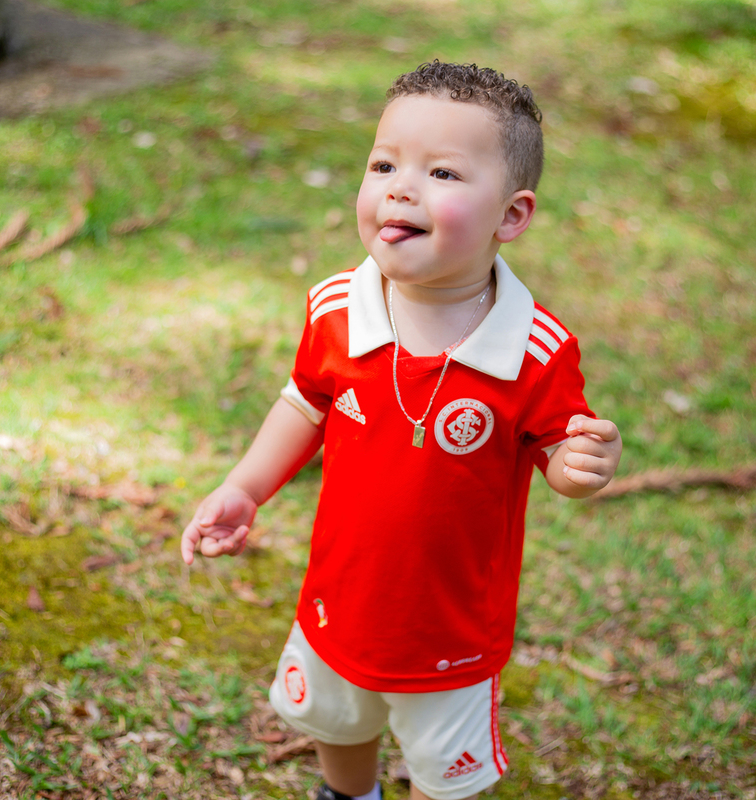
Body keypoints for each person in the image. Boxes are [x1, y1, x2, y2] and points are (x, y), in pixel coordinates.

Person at [181, 61, 622, 800]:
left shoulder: (536, 350)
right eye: (383, 163)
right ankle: (349, 794)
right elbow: (304, 404)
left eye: (442, 172)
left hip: (450, 633)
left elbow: (559, 449)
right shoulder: (335, 309)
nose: (400, 187)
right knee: (335, 724)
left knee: (443, 773)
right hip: (339, 603)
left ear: (510, 216)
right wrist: (244, 487)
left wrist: (579, 466)